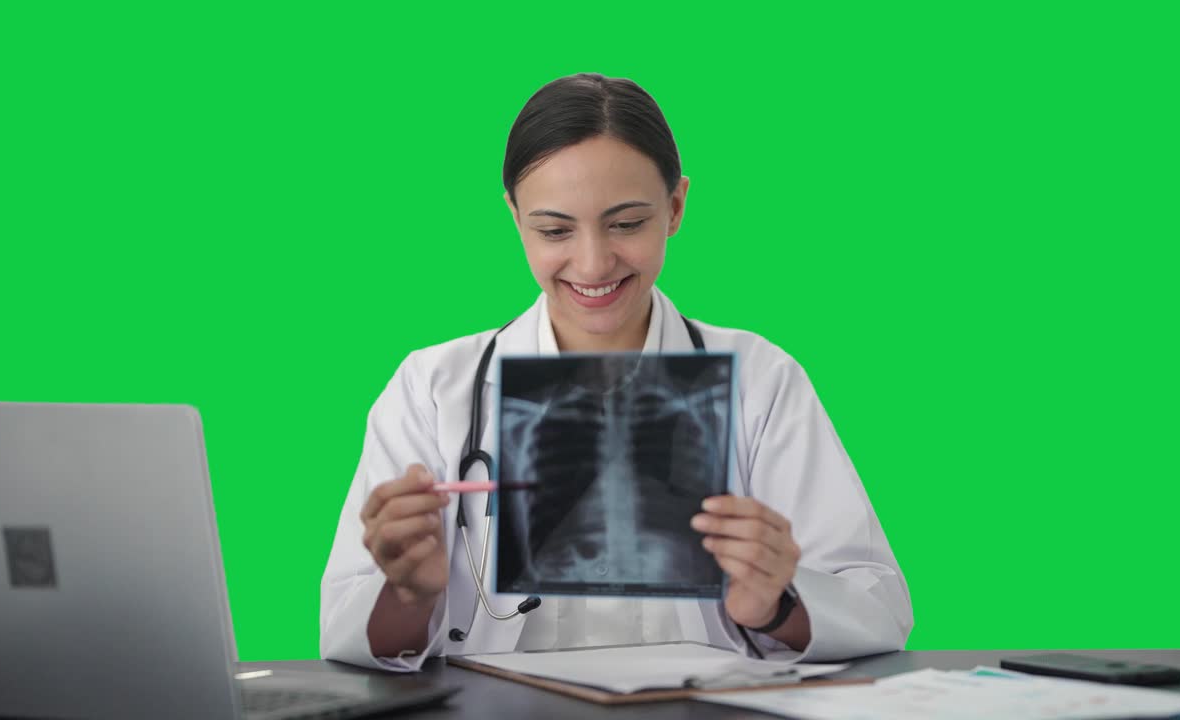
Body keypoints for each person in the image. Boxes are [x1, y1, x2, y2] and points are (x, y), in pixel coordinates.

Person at [320, 73, 913, 672]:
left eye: (626, 223)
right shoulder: (432, 388)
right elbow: (346, 629)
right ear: (515, 216)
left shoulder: (760, 380)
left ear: (676, 206)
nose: (593, 262)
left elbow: (877, 604)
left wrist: (778, 603)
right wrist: (409, 593)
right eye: (554, 230)